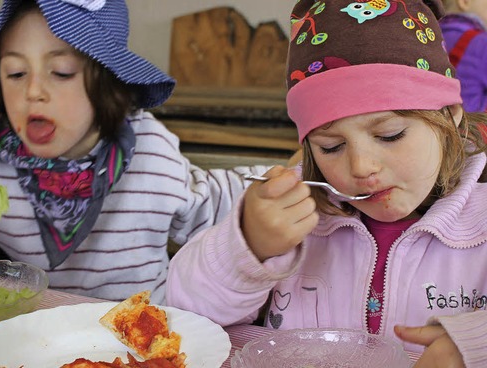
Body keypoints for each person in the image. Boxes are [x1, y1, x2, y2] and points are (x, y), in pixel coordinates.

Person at [0, 0, 267, 304]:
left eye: (61, 72)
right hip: (29, 341)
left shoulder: (151, 156)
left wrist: (277, 188)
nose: (33, 91)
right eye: (15, 73)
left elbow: (222, 202)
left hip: (139, 340)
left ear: (108, 83)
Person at [167, 0, 487, 366]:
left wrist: (472, 344)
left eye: (390, 135)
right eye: (331, 146)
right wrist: (250, 245)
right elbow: (183, 313)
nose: (361, 166)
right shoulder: (293, 218)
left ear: (452, 119)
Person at [440, 0, 487, 112]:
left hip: (439, 124)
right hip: (474, 125)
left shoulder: (432, 33)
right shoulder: (481, 43)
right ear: (464, 2)